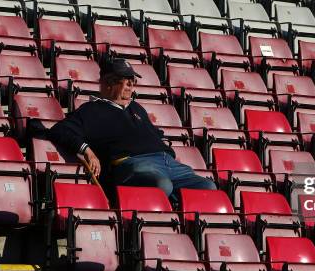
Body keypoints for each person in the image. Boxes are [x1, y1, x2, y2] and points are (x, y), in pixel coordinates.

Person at [46, 58, 217, 203]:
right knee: (162, 185)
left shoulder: (136, 107)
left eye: (132, 80)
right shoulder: (91, 110)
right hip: (133, 163)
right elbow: (60, 130)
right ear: (108, 83)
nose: (130, 84)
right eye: (125, 80)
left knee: (207, 187)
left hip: (168, 163)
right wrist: (87, 151)